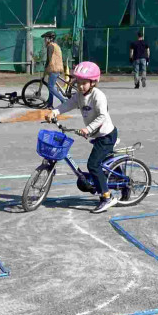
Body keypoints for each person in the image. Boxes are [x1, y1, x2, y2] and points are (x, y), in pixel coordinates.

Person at [46, 61, 118, 214]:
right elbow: (67, 105)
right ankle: (117, 181)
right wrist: (55, 112)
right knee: (102, 162)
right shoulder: (79, 95)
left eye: (84, 83)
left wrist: (87, 129)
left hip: (106, 135)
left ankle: (107, 197)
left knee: (93, 165)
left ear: (93, 82)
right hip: (96, 134)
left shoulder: (98, 96)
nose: (80, 86)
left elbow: (102, 116)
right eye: (78, 82)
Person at [42, 31, 64, 108]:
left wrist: (45, 68)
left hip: (54, 69)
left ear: (50, 39)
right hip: (58, 68)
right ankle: (50, 104)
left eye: (45, 38)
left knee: (51, 87)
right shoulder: (56, 46)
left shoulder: (50, 46)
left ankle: (63, 101)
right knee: (51, 87)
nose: (44, 40)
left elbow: (49, 59)